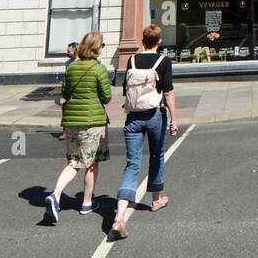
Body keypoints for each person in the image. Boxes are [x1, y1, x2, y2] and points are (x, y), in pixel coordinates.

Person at [110, 24, 178, 241]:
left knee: (132, 163)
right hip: (155, 115)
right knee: (157, 155)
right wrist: (174, 120)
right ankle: (156, 199)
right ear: (159, 41)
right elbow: (168, 92)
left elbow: (125, 90)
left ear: (142, 40)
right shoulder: (163, 61)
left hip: (133, 116)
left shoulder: (131, 60)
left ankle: (119, 215)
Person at [43, 31, 111, 224]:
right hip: (93, 122)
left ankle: (55, 194)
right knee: (91, 163)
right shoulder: (99, 69)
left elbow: (64, 92)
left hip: (72, 122)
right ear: (97, 48)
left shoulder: (71, 67)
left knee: (74, 162)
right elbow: (106, 97)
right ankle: (87, 203)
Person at [54, 41, 79, 142]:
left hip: (78, 91)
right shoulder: (68, 63)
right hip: (70, 91)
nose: (67, 53)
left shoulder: (81, 62)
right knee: (66, 109)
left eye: (69, 51)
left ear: (75, 51)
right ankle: (66, 131)